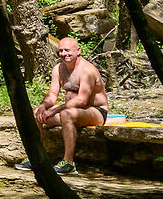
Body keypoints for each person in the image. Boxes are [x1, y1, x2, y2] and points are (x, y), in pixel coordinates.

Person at [21, 35, 107, 175]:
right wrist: (43, 107)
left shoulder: (87, 70)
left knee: (66, 114)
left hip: (95, 111)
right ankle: (36, 157)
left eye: (67, 50)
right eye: (61, 51)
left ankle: (68, 162)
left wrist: (55, 111)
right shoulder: (58, 69)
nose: (64, 54)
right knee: (35, 113)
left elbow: (82, 100)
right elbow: (52, 95)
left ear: (78, 50)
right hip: (72, 110)